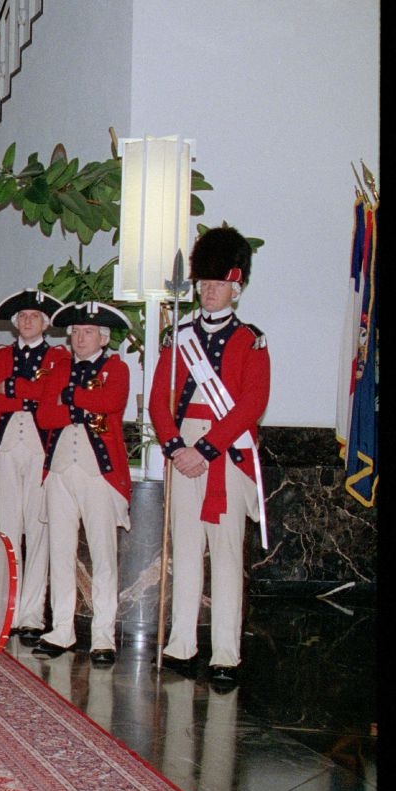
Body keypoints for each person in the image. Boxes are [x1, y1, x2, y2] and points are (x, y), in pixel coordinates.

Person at [150, 225, 269, 690]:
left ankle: (225, 652)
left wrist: (204, 448)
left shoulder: (250, 340)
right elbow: (160, 399)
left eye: (219, 284)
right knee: (184, 550)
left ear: (236, 288)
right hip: (182, 451)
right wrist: (176, 447)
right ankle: (181, 643)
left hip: (227, 454)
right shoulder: (177, 336)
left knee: (223, 555)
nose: (210, 291)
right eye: (205, 283)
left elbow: (251, 404)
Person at [33, 301, 132, 666]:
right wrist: (83, 408)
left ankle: (103, 635)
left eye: (87, 332)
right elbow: (45, 415)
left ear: (103, 337)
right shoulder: (58, 368)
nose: (79, 338)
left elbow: (111, 401)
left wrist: (71, 400)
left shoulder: (116, 368)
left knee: (104, 554)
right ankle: (61, 628)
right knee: (59, 551)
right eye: (75, 331)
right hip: (59, 471)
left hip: (99, 474)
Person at [0, 288, 65, 642]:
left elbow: (51, 396)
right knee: (8, 530)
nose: (28, 321)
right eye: (23, 317)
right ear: (15, 324)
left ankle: (32, 611)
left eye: (34, 317)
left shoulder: (59, 358)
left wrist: (14, 387)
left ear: (45, 323)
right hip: (5, 448)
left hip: (41, 451)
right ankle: (8, 609)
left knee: (39, 529)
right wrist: (29, 389)